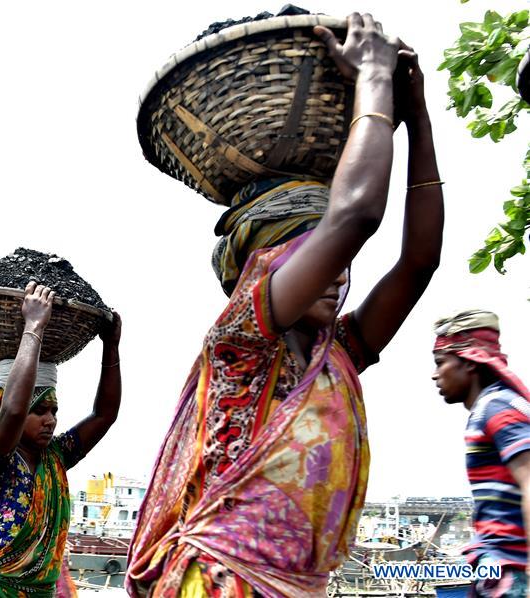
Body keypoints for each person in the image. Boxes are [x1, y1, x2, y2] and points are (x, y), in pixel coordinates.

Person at [127, 13, 445, 597]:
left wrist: (416, 117)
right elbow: (356, 217)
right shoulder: (244, 336)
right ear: (264, 263)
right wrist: (373, 78)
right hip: (223, 583)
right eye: (318, 252)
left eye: (337, 258)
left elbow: (420, 262)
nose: (339, 271)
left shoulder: (339, 353)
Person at [0, 281, 122, 597]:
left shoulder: (55, 456)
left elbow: (104, 415)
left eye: (54, 410)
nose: (50, 420)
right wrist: (33, 327)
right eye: (40, 411)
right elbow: (14, 412)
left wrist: (111, 347)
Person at [432, 310, 530, 598]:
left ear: (470, 362)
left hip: (509, 569)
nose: (435, 374)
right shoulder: (495, 406)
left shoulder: (497, 407)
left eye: (441, 363)